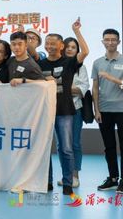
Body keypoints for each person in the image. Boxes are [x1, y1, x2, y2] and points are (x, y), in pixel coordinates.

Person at [38, 19, 89, 196]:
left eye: (53, 43)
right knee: (44, 148)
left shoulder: (69, 62)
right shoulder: (40, 64)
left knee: (66, 148)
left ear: (61, 45)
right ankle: (47, 182)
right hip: (45, 111)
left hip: (65, 110)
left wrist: (76, 31)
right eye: (47, 43)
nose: (49, 46)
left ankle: (68, 182)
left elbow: (85, 52)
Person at [91, 28, 123, 194]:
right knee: (109, 146)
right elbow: (95, 88)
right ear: (103, 42)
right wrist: (97, 109)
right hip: (104, 110)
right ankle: (113, 178)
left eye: (113, 39)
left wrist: (110, 78)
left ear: (118, 42)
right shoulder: (97, 62)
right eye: (107, 39)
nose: (110, 42)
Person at [62, 37, 90, 188]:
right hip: (60, 109)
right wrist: (69, 89)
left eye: (73, 47)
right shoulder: (58, 64)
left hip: (75, 109)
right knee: (62, 145)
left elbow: (82, 89)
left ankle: (75, 176)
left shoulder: (81, 68)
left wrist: (63, 88)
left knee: (75, 143)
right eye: (67, 46)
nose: (70, 49)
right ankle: (66, 176)